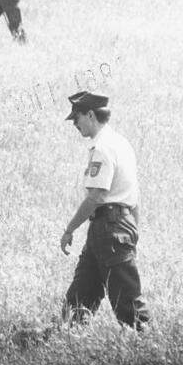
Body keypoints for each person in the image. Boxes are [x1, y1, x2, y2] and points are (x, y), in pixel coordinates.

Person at [60, 91, 149, 330]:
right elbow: (134, 196)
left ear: (91, 114)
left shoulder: (103, 148)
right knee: (80, 296)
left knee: (128, 303)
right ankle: (67, 336)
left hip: (108, 229)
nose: (75, 124)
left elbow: (97, 196)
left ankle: (147, 343)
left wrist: (69, 230)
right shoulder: (122, 144)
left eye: (77, 118)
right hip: (115, 226)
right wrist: (134, 230)